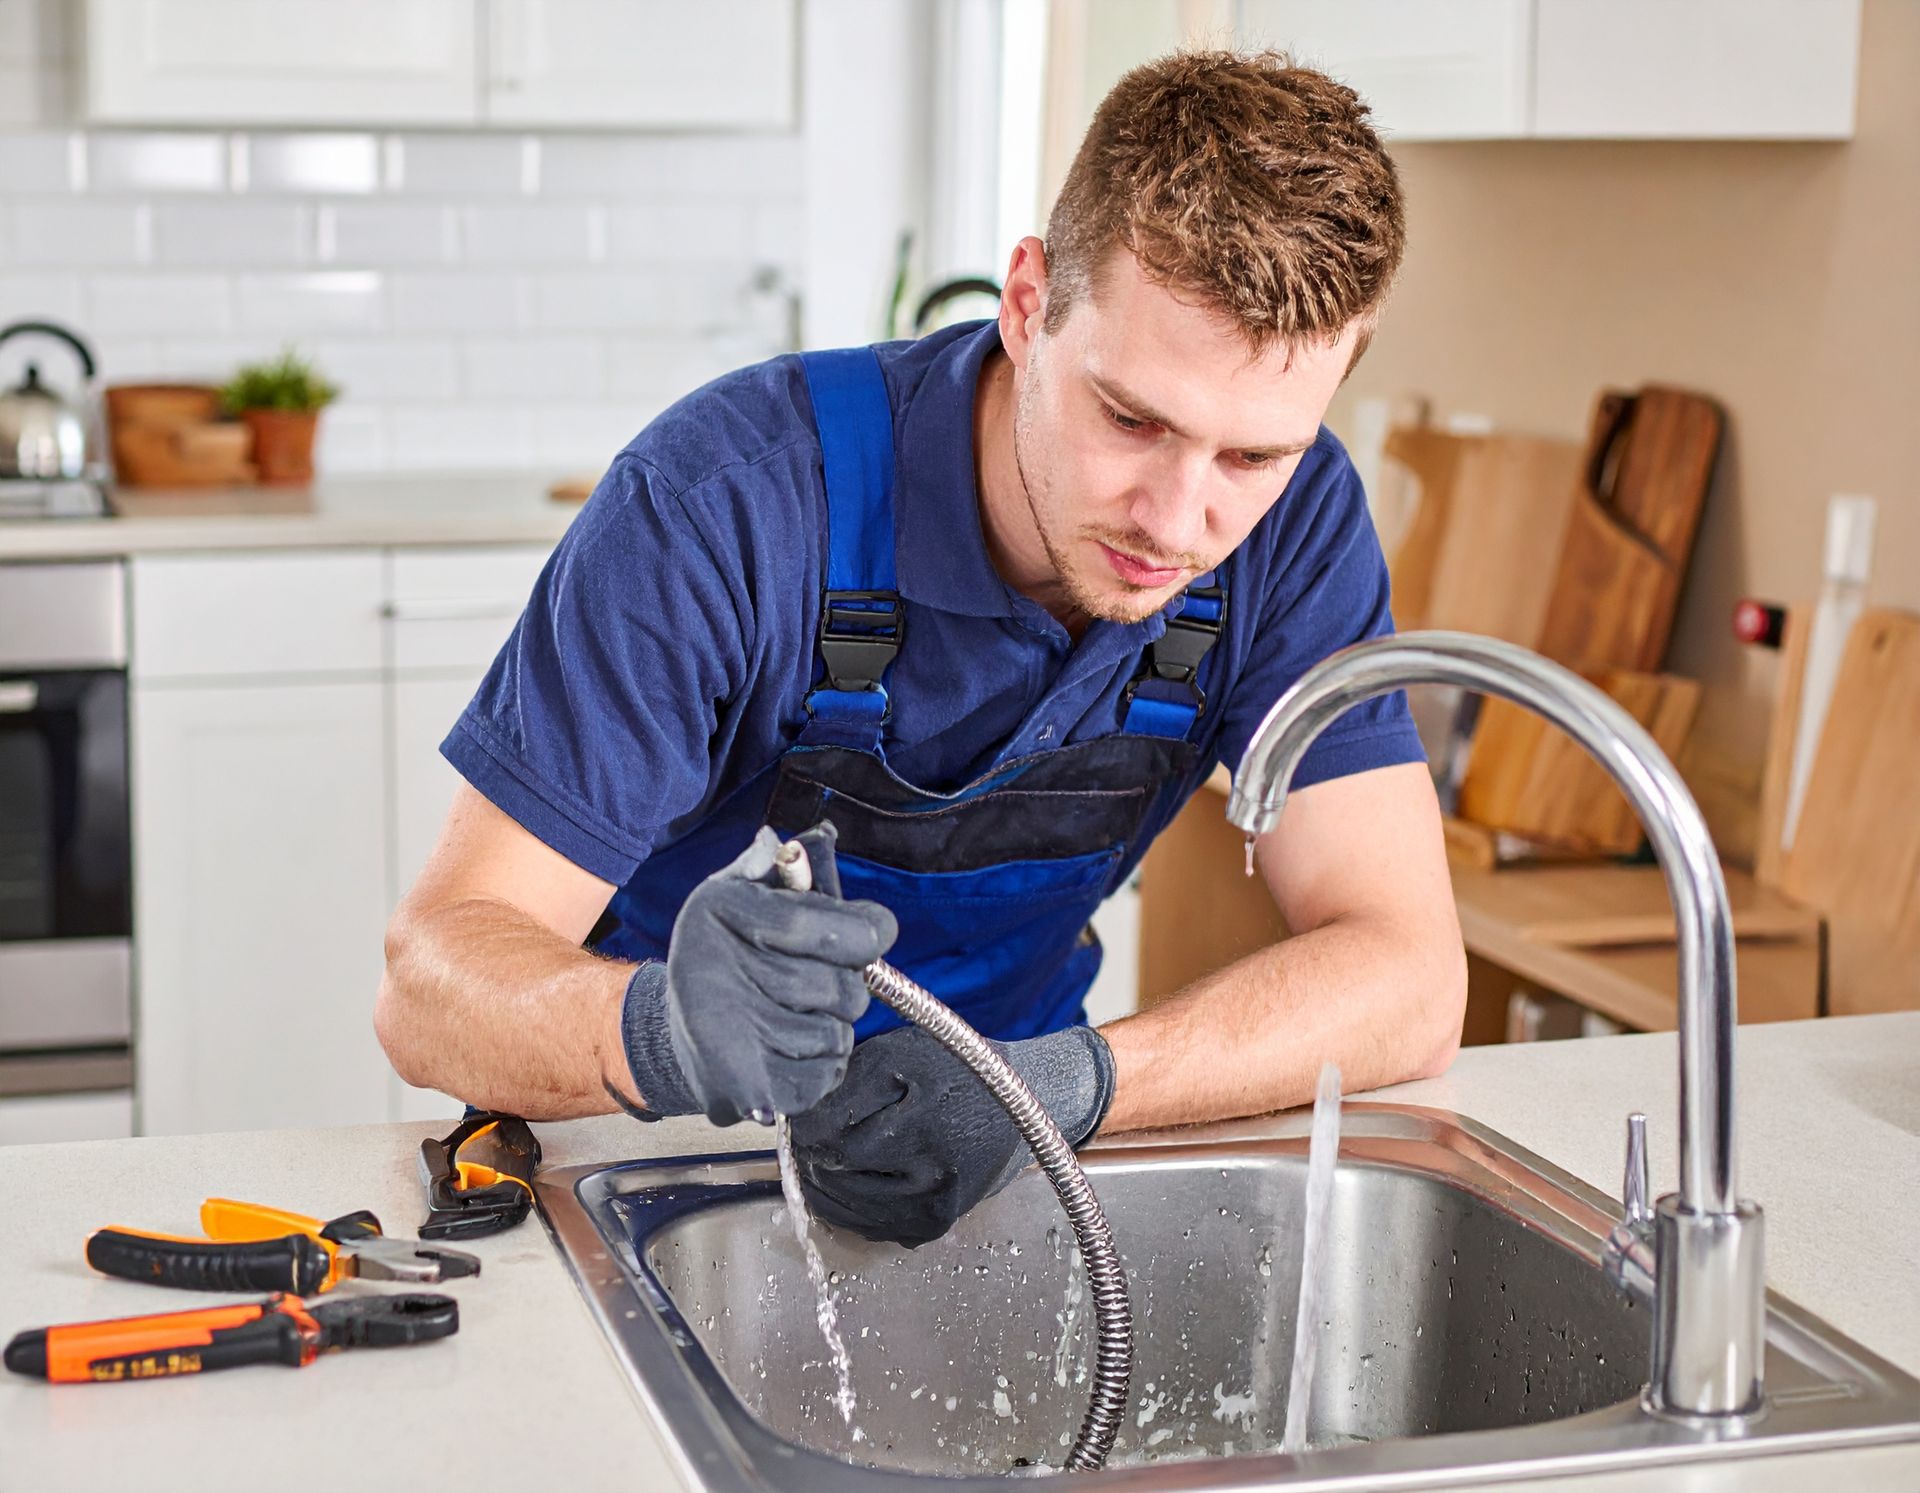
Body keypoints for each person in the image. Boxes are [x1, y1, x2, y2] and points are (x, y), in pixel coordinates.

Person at [376, 50, 1466, 1247]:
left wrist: (1062, 1086)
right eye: (1131, 418)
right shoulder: (725, 505)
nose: (1177, 519)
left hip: (1017, 1144)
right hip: (655, 1150)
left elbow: (1409, 976)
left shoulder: (1297, 525)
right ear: (1028, 303)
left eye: (1251, 457)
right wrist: (658, 1033)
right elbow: (429, 985)